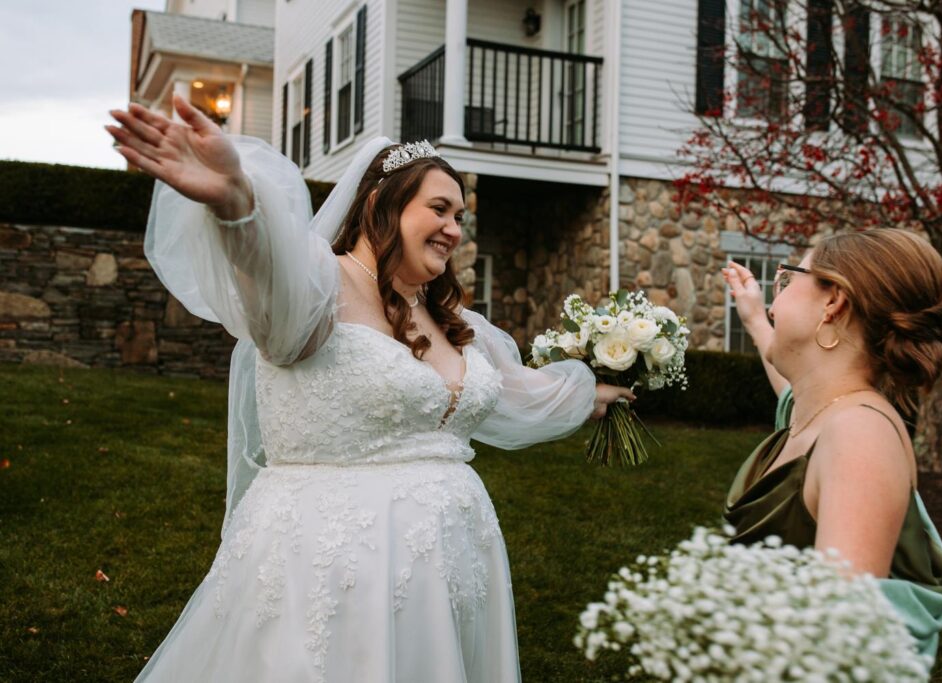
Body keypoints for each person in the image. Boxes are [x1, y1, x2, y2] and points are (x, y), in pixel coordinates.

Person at [105, 95, 633, 683]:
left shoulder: (454, 320)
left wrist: (599, 391)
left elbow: (521, 393)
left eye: (460, 217)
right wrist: (236, 204)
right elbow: (266, 265)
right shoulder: (314, 286)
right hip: (332, 566)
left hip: (453, 569)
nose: (454, 230)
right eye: (440, 209)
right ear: (382, 202)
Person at [720, 230, 942, 662]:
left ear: (833, 301)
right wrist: (757, 321)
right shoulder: (825, 413)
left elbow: (839, 651)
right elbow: (795, 395)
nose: (777, 303)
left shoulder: (858, 438)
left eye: (788, 279)